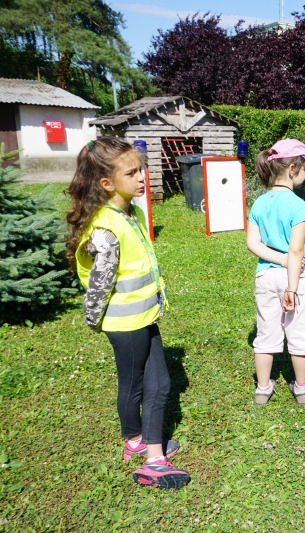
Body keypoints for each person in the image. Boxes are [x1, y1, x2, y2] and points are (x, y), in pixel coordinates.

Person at [65, 137, 190, 490]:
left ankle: (136, 441)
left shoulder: (129, 213)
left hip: (142, 317)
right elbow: (99, 286)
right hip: (126, 322)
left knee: (148, 383)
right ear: (107, 183)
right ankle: (153, 461)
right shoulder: (106, 228)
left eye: (141, 170)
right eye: (132, 172)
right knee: (146, 385)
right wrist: (95, 320)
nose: (141, 178)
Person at [247, 139, 305, 407]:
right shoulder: (299, 206)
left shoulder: (258, 204)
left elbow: (253, 244)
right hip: (296, 279)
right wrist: (291, 286)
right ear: (292, 169)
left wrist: (279, 259)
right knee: (299, 331)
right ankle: (301, 388)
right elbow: (296, 250)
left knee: (266, 332)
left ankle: (263, 388)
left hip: (266, 277)